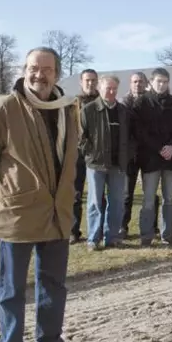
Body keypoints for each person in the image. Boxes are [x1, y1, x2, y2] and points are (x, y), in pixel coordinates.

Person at [0, 46, 84, 342]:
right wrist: (1, 201)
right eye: (34, 68)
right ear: (24, 69)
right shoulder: (4, 108)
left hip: (56, 214)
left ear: (56, 74)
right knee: (11, 289)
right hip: (16, 217)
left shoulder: (66, 109)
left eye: (47, 69)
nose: (39, 75)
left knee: (54, 285)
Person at [133, 68, 172, 245]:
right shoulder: (142, 102)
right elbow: (140, 131)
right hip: (150, 158)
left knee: (169, 197)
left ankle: (167, 234)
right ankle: (146, 235)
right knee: (148, 198)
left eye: (165, 81)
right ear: (151, 82)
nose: (162, 85)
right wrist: (158, 148)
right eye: (158, 81)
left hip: (171, 159)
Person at [80, 75, 132, 250]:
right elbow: (81, 137)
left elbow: (131, 137)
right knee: (95, 202)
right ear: (99, 89)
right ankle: (93, 239)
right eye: (108, 88)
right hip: (97, 164)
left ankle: (112, 237)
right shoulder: (89, 110)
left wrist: (128, 154)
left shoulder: (124, 111)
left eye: (114, 89)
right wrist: (91, 154)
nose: (111, 92)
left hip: (118, 165)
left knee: (116, 202)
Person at [71, 69, 104, 244]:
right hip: (77, 154)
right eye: (87, 80)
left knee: (99, 195)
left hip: (98, 154)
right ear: (81, 82)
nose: (90, 83)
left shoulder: (103, 101)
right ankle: (73, 231)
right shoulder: (74, 103)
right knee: (75, 194)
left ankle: (99, 230)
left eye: (93, 80)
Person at [120, 72, 149, 237]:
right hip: (130, 154)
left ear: (146, 83)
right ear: (130, 84)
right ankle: (123, 226)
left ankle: (150, 226)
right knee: (126, 193)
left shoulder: (151, 102)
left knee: (150, 193)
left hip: (148, 153)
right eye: (135, 82)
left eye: (140, 82)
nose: (138, 84)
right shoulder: (124, 104)